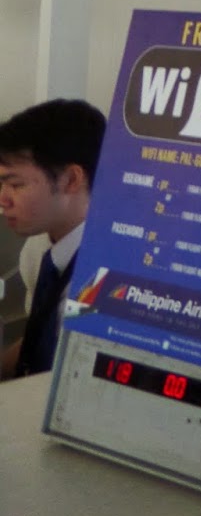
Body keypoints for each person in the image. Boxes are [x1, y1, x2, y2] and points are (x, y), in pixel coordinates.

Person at [0, 99, 106, 379]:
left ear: (71, 179)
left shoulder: (104, 273)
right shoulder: (38, 249)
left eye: (16, 185)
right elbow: (40, 341)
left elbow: (76, 369)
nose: (3, 200)